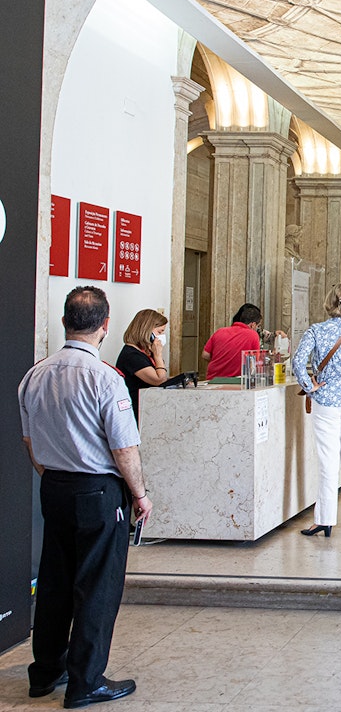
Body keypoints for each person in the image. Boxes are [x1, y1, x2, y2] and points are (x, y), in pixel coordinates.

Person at [19, 286, 152, 708]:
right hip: (98, 491)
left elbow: (29, 441)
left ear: (64, 322)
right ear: (105, 325)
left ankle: (45, 671)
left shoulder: (36, 373)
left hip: (53, 487)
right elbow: (124, 449)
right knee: (98, 585)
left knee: (55, 580)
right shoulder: (105, 378)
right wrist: (140, 494)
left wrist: (52, 474)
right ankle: (87, 680)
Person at [291, 282, 341, 537]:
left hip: (325, 401)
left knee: (328, 461)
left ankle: (324, 519)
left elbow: (297, 360)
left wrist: (309, 385)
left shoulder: (316, 331)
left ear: (328, 302)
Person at [115, 309, 168, 423]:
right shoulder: (132, 355)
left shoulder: (144, 352)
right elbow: (159, 379)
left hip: (147, 408)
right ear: (147, 331)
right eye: (160, 332)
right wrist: (158, 355)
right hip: (135, 412)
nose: (162, 336)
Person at [201, 303, 263, 379]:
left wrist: (222, 359)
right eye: (258, 326)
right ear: (253, 325)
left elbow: (205, 354)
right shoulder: (253, 335)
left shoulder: (220, 331)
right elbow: (254, 362)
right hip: (236, 381)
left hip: (212, 379)